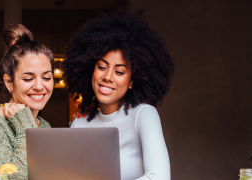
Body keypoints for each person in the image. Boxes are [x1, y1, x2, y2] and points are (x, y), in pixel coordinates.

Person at [63, 8, 174, 180]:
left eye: (119, 72)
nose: (107, 77)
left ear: (131, 81)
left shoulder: (143, 115)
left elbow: (159, 176)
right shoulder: (79, 123)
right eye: (101, 67)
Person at [0, 24, 54, 179]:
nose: (40, 86)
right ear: (9, 82)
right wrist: (25, 127)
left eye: (46, 77)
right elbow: (15, 178)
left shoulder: (46, 127)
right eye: (28, 78)